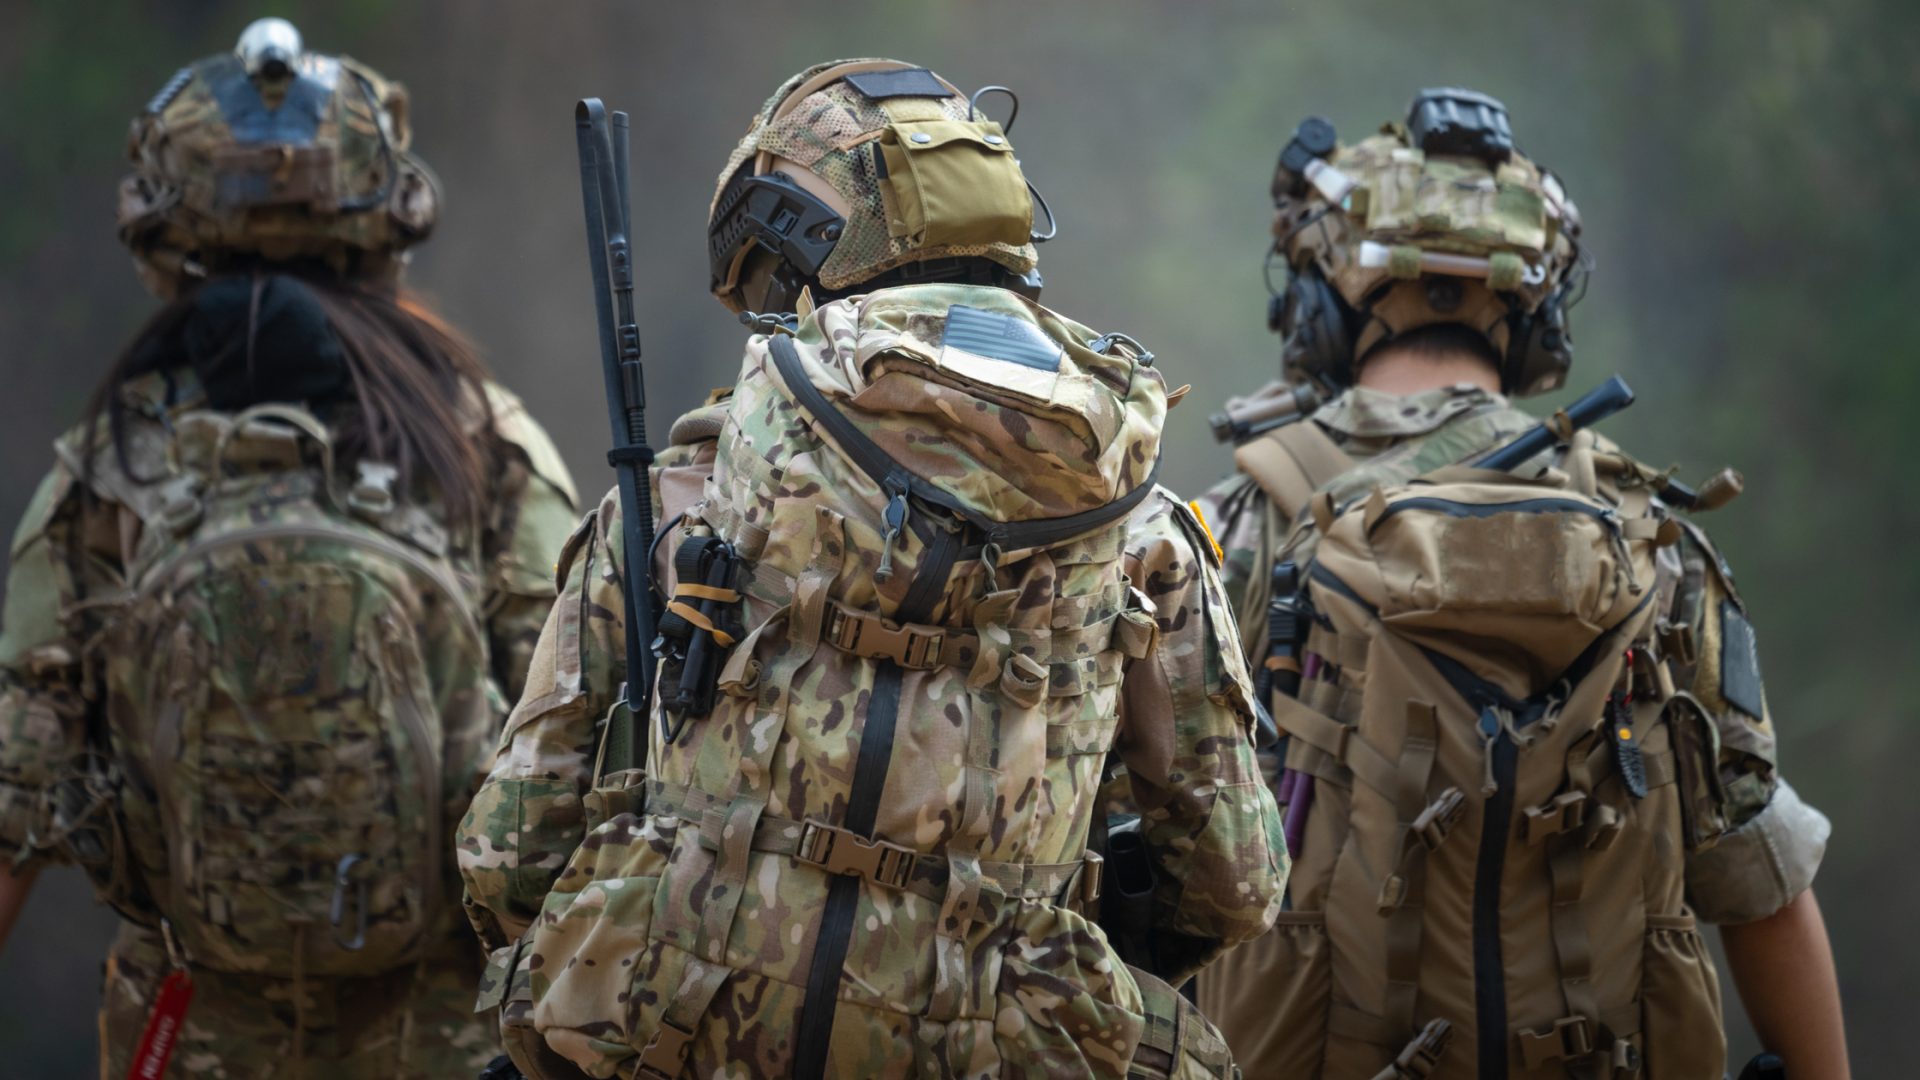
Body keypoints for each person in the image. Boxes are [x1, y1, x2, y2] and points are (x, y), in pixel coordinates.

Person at [457, 59, 1285, 1079]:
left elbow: (508, 856)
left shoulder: (685, 490)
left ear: (810, 249)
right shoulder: (1139, 527)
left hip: (686, 1042)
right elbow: (1236, 883)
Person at [1190, 90, 1848, 1078]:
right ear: (1537, 312)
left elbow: (1130, 856)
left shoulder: (1240, 531)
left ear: (1324, 301)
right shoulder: (1650, 536)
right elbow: (1762, 876)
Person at [0, 19, 579, 1078]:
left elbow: (14, 791)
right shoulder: (483, 441)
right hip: (440, 1033)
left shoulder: (105, 466)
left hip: (192, 1026)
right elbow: (574, 738)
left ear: (161, 225)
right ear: (388, 218)